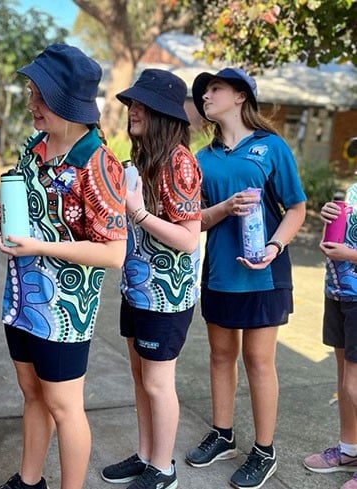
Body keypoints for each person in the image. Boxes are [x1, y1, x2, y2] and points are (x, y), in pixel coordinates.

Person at [0, 44, 127, 489]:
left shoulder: (97, 163)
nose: (31, 105)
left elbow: (113, 252)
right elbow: (38, 209)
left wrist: (41, 245)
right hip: (24, 299)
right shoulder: (36, 147)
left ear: (68, 101)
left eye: (40, 97)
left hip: (65, 311)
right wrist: (8, 215)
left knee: (65, 408)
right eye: (31, 93)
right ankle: (29, 481)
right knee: (32, 395)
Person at [184, 67, 306, 489]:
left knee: (258, 361)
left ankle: (264, 450)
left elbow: (296, 208)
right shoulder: (202, 159)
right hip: (219, 272)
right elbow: (192, 222)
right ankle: (223, 434)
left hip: (264, 275)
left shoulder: (271, 148)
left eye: (214, 89)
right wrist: (222, 210)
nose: (206, 97)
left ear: (240, 96)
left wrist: (273, 248)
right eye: (203, 92)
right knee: (220, 356)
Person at [100, 69, 202, 489]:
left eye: (141, 105)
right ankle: (146, 456)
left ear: (163, 113)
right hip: (137, 290)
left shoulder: (180, 162)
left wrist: (138, 212)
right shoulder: (144, 158)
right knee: (141, 379)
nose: (132, 111)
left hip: (166, 297)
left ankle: (164, 469)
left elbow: (189, 240)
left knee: (158, 384)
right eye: (131, 105)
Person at [303, 186, 357, 489]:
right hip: (338, 292)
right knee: (344, 382)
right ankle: (349, 451)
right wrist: (329, 217)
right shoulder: (352, 190)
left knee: (354, 385)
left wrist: (349, 254)